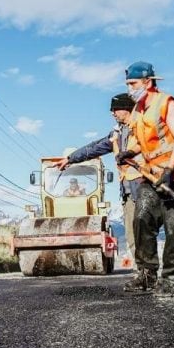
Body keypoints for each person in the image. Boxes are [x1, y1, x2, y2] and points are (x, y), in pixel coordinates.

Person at [115, 61, 174, 297]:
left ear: (148, 82)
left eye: (133, 84)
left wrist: (170, 170)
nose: (130, 89)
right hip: (152, 175)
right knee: (141, 218)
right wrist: (131, 152)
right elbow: (144, 142)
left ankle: (170, 279)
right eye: (128, 84)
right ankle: (148, 274)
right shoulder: (139, 111)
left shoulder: (166, 103)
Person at [53, 93, 144, 266]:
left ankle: (157, 273)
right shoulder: (117, 133)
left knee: (145, 232)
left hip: (145, 186)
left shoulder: (143, 128)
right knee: (133, 234)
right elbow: (95, 147)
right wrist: (70, 158)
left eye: (115, 109)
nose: (112, 113)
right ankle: (144, 273)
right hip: (128, 190)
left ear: (127, 108)